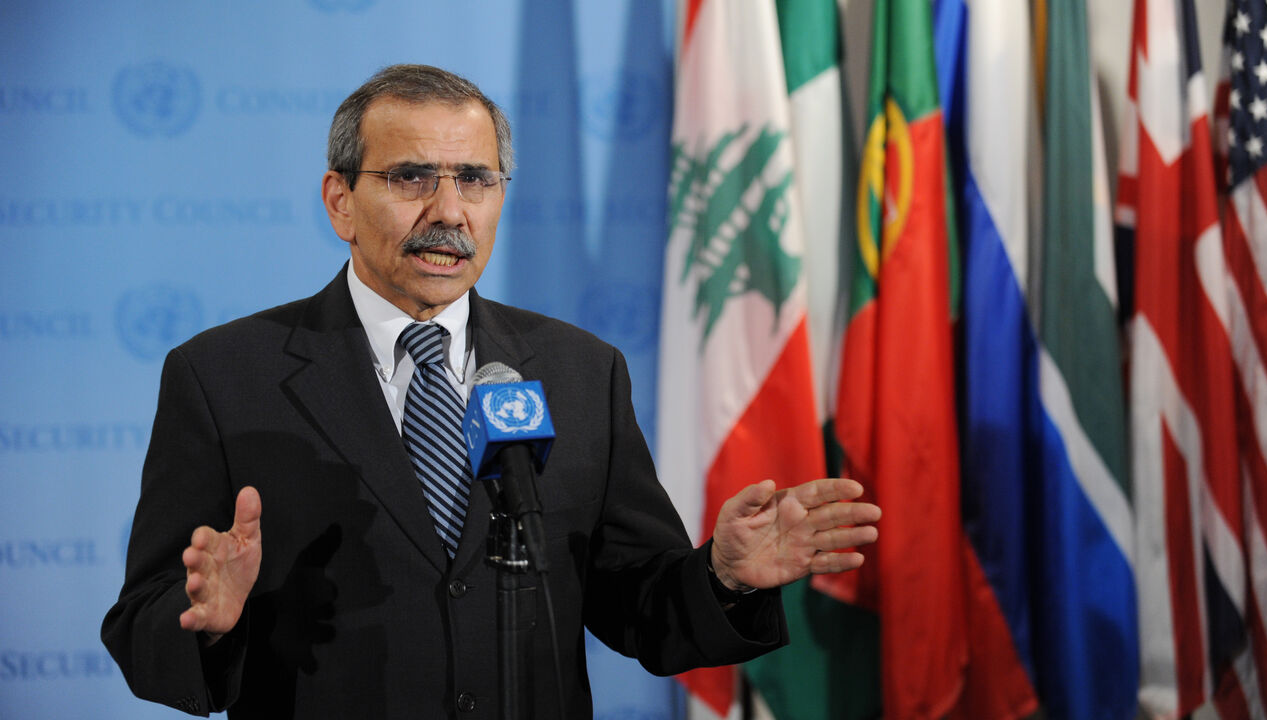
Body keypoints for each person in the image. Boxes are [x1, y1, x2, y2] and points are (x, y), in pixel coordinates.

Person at [101, 64, 880, 719]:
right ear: (340, 201)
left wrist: (721, 576)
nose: (448, 211)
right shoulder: (225, 375)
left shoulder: (580, 371)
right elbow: (141, 623)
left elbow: (641, 609)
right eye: (411, 177)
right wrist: (209, 622)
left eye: (475, 178)